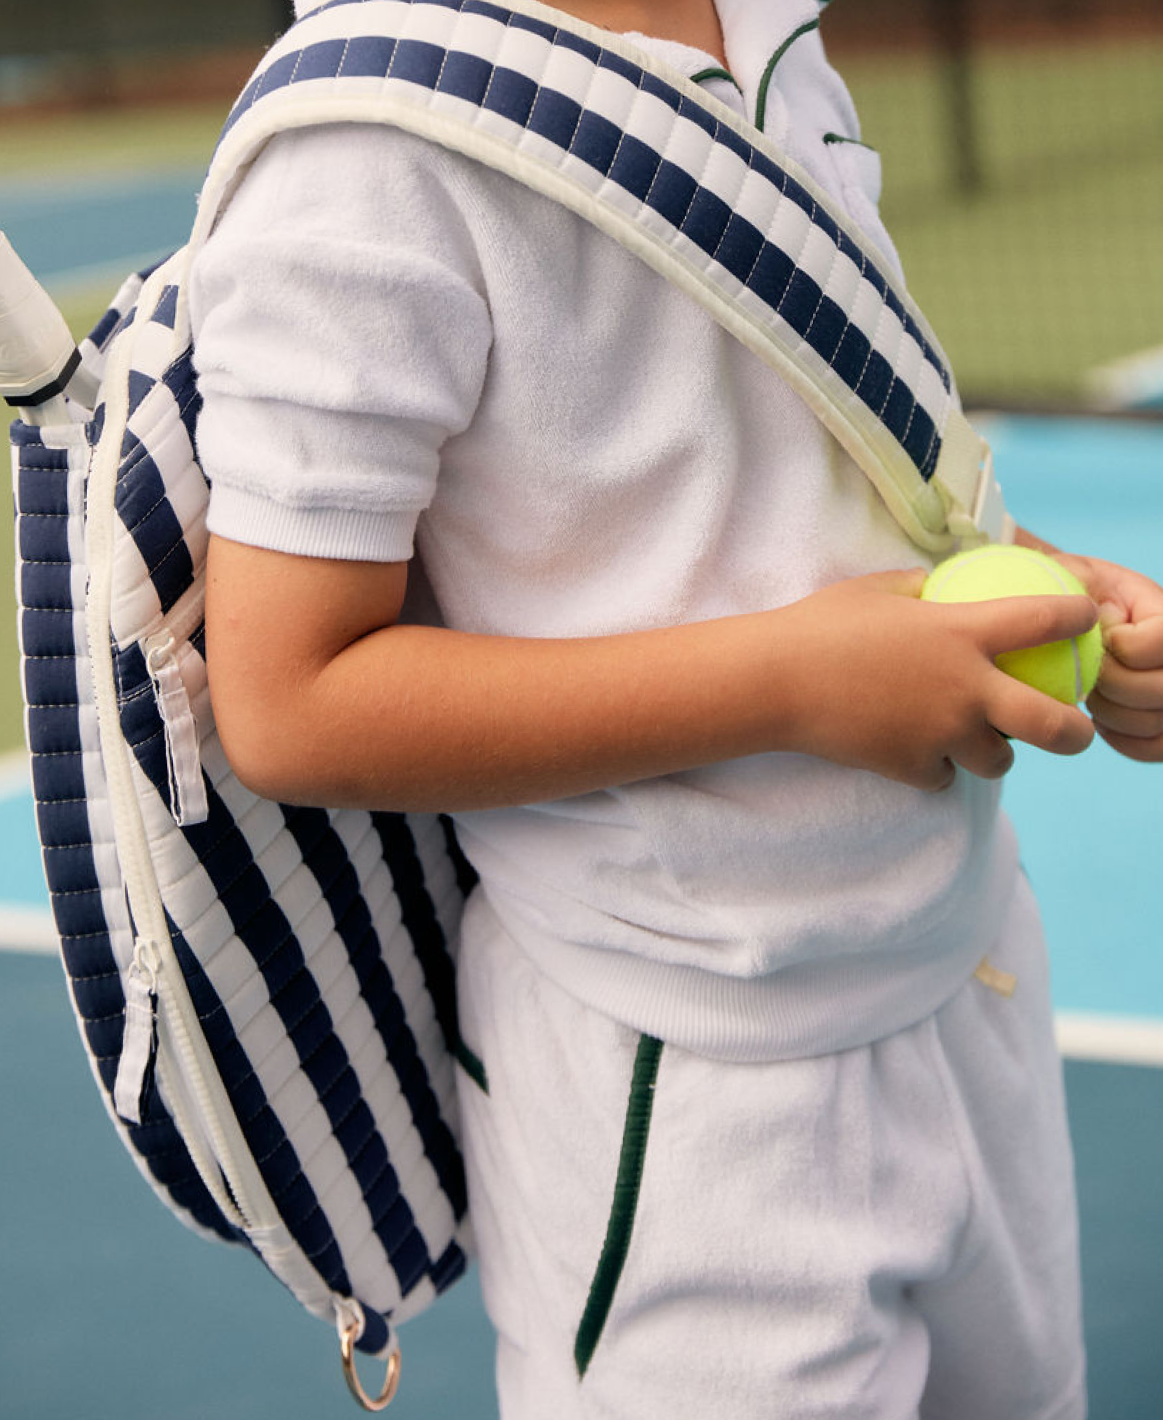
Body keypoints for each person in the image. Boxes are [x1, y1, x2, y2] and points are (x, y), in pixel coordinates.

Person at [190, 1, 1163, 1414]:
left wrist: (1047, 594)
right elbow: (290, 702)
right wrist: (795, 682)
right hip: (688, 1080)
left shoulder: (771, 15)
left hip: (967, 962)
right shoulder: (356, 154)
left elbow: (820, 468)